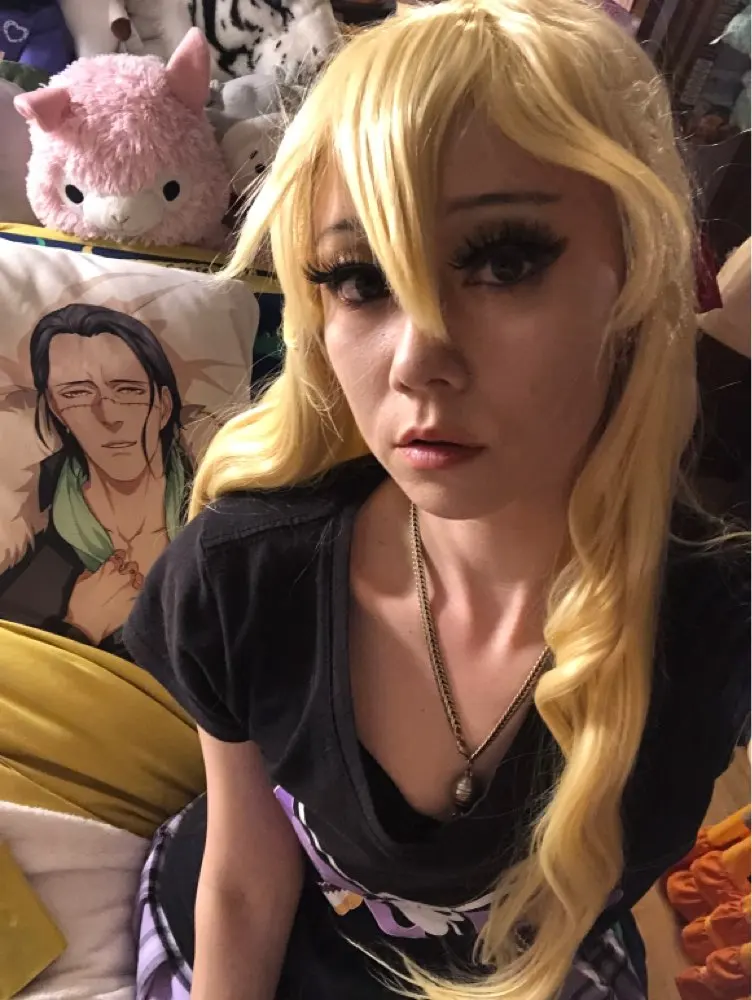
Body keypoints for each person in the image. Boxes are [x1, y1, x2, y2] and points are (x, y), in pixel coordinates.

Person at [123, 1, 750, 998]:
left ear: (634, 274)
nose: (417, 360)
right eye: (359, 278)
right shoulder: (242, 576)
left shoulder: (713, 624)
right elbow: (243, 881)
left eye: (501, 261)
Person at [0, 303, 190, 652]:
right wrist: (79, 627)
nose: (108, 415)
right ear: (57, 409)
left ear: (163, 405)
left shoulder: (222, 513)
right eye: (76, 393)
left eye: (128, 389)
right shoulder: (27, 539)